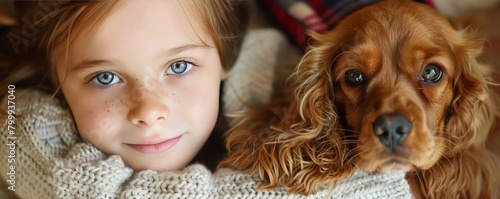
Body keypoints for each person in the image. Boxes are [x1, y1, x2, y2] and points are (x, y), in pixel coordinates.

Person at [0, 0, 412, 198]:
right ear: (54, 80)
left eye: (179, 67)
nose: (150, 111)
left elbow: (381, 188)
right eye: (104, 77)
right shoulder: (23, 116)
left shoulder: (281, 80)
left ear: (226, 57)